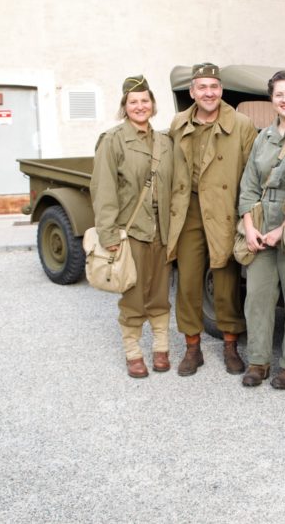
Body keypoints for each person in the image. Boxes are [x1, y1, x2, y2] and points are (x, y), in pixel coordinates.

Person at [167, 63, 257, 377]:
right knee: (189, 280)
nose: (209, 93)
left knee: (226, 279)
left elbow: (250, 173)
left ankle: (231, 346)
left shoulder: (242, 124)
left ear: (221, 90)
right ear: (192, 91)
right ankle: (193, 348)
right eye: (202, 87)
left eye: (214, 87)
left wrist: (247, 214)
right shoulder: (178, 122)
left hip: (224, 208)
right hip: (189, 207)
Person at [90, 75, 174, 378]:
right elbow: (104, 189)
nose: (140, 106)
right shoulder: (113, 140)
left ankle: (161, 348)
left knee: (161, 292)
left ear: (152, 105)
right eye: (133, 101)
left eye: (145, 100)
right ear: (124, 107)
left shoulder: (165, 141)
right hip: (131, 231)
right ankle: (133, 352)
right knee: (134, 293)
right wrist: (108, 233)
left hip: (162, 231)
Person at [237, 71, 285, 389]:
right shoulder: (263, 137)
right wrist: (250, 227)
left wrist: (283, 229)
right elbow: (249, 184)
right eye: (278, 94)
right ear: (271, 99)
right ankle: (258, 361)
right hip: (261, 223)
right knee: (257, 296)